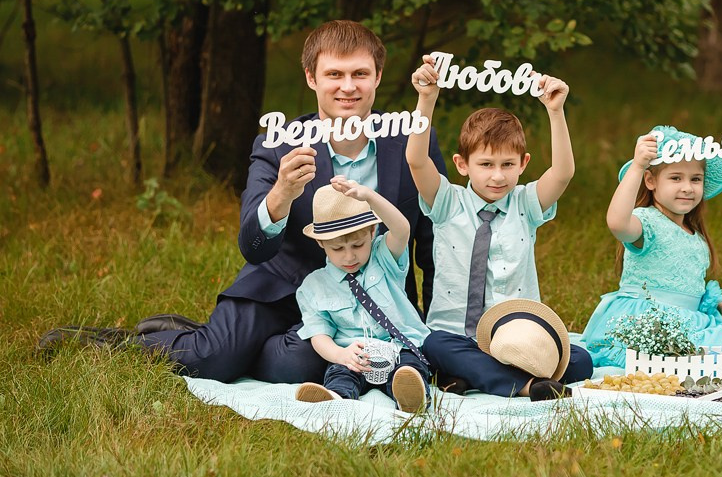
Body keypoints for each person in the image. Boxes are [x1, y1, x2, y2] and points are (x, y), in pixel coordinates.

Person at [39, 21, 447, 384]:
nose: (348, 86)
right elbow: (253, 247)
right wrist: (281, 195)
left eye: (360, 73)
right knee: (214, 359)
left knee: (301, 365)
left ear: (378, 76)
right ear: (311, 78)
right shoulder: (278, 145)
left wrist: (435, 329)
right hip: (282, 289)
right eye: (334, 74)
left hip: (374, 300)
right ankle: (124, 341)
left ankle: (255, 347)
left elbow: (433, 242)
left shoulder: (412, 145)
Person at [405, 55, 593, 399]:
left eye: (508, 164)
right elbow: (417, 160)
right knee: (433, 344)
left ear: (523, 164)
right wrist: (426, 99)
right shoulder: (447, 202)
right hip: (455, 334)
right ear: (462, 165)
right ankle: (522, 387)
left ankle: (466, 376)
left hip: (516, 338)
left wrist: (555, 111)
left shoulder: (525, 205)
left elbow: (563, 173)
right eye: (486, 164)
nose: (497, 175)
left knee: (580, 360)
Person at [580, 126, 722, 367]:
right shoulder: (646, 223)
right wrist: (638, 166)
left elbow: (691, 289)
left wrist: (721, 307)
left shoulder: (696, 237)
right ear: (650, 180)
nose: (688, 187)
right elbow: (617, 222)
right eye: (676, 178)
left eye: (695, 179)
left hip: (691, 319)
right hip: (648, 321)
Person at [292, 178, 430, 413]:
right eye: (337, 249)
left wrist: (369, 197)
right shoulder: (314, 286)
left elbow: (402, 229)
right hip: (355, 356)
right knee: (340, 373)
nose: (349, 257)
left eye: (357, 245)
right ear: (320, 243)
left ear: (372, 231)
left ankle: (410, 396)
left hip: (398, 347)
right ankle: (336, 398)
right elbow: (319, 334)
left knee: (409, 368)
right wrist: (341, 354)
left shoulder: (383, 257)